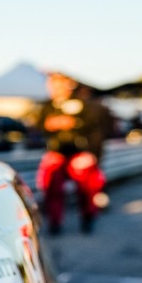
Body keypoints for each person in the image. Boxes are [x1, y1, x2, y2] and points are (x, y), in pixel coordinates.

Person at [35, 72, 106, 234]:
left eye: (59, 85)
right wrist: (49, 125)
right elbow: (39, 126)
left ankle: (88, 217)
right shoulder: (47, 106)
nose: (55, 89)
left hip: (80, 153)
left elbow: (96, 131)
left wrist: (91, 154)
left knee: (87, 186)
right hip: (57, 152)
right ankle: (55, 222)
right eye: (52, 85)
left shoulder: (84, 105)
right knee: (52, 184)